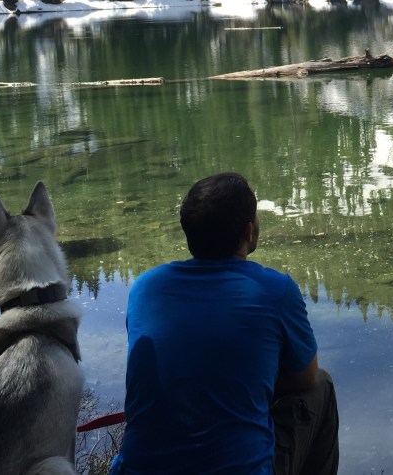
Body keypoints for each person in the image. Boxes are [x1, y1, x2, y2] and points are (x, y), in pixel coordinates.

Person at [110, 172, 339, 475]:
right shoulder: (275, 290)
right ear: (249, 230)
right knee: (321, 386)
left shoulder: (145, 288)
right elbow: (304, 378)